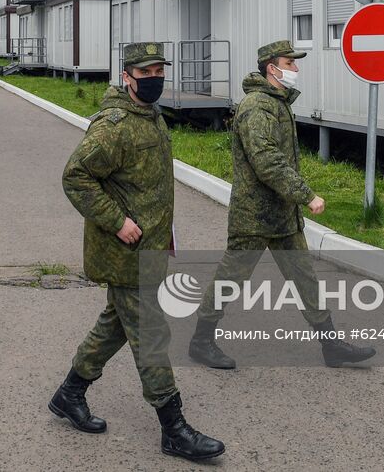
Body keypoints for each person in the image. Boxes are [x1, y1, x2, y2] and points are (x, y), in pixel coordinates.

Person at [49, 42, 225, 462]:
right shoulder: (114, 126)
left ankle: (69, 394)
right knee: (151, 333)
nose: (154, 79)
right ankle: (174, 429)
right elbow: (76, 177)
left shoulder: (150, 115)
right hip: (124, 249)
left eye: (159, 71)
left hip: (150, 246)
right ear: (127, 77)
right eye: (145, 73)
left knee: (115, 325)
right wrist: (117, 221)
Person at [187, 40, 376, 370]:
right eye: (290, 63)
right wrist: (307, 195)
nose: (296, 69)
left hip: (283, 215)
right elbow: (267, 161)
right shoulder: (257, 107)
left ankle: (331, 346)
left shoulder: (277, 102)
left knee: (305, 278)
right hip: (255, 216)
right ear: (272, 69)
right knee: (231, 279)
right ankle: (201, 342)